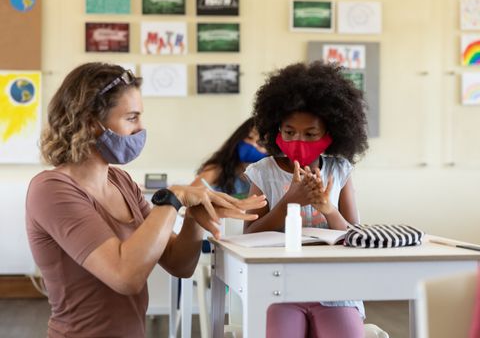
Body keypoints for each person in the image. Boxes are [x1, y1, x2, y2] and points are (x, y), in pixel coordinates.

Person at [25, 62, 266, 338]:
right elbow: (125, 276)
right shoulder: (51, 190)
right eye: (132, 118)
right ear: (91, 122)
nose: (141, 128)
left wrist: (195, 218)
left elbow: (179, 264)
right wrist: (173, 198)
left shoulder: (122, 182)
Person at [244, 61, 369, 338]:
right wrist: (291, 201)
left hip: (335, 286)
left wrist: (327, 208)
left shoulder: (339, 170)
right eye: (289, 132)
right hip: (278, 286)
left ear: (331, 133)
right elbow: (248, 236)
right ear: (276, 130)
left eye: (310, 134)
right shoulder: (263, 173)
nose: (298, 140)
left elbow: (356, 236)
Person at [192, 117, 267, 198]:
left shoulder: (268, 178)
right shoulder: (217, 169)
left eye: (260, 144)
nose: (252, 144)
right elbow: (188, 195)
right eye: (249, 138)